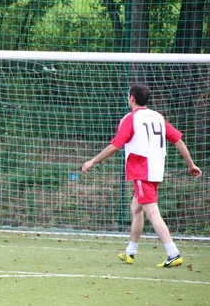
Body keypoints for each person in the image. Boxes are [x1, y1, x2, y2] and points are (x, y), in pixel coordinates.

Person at [81, 83, 202, 268]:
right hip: (156, 170)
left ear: (131, 98)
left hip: (141, 171)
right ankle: (130, 251)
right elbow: (178, 140)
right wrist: (191, 163)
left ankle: (173, 252)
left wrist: (92, 161)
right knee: (136, 208)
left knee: (152, 212)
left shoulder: (131, 119)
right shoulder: (158, 117)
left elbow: (115, 146)